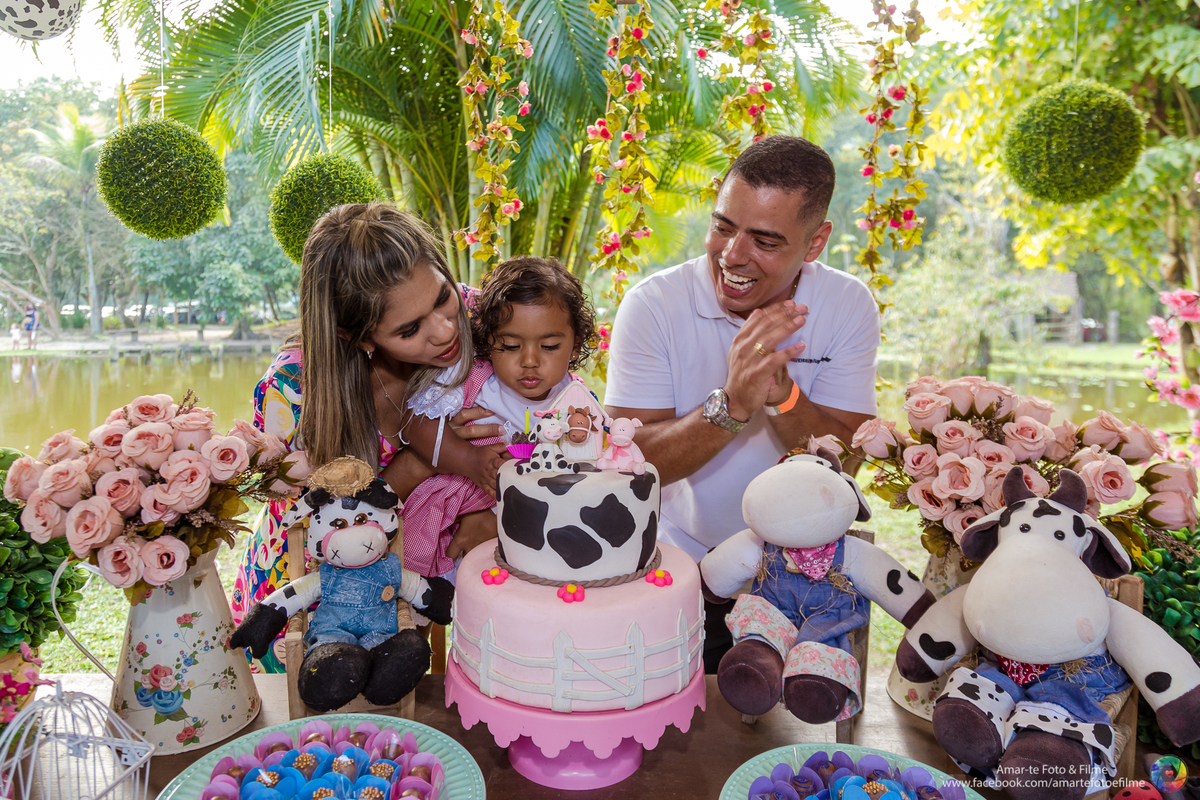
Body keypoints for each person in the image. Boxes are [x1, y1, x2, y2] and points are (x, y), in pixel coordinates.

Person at [603, 135, 881, 672]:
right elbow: (628, 464)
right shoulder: (653, 305)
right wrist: (731, 405)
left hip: (801, 571)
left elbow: (847, 458)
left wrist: (783, 396)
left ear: (816, 242)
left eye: (765, 241)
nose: (732, 255)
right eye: (723, 226)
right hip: (678, 562)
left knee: (786, 735)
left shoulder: (847, 305)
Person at [231, 201, 507, 672]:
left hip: (407, 593)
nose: (444, 331)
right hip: (308, 594)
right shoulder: (293, 390)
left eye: (442, 296)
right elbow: (328, 518)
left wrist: (494, 516)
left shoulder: (481, 319)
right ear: (357, 336)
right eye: (409, 329)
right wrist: (431, 455)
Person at [399, 255, 599, 582]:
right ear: (488, 342)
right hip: (453, 504)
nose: (530, 361)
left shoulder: (575, 404)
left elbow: (587, 468)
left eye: (549, 346)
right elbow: (418, 423)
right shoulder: (474, 380)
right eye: (509, 346)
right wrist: (468, 458)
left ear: (575, 346)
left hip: (537, 517)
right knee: (429, 577)